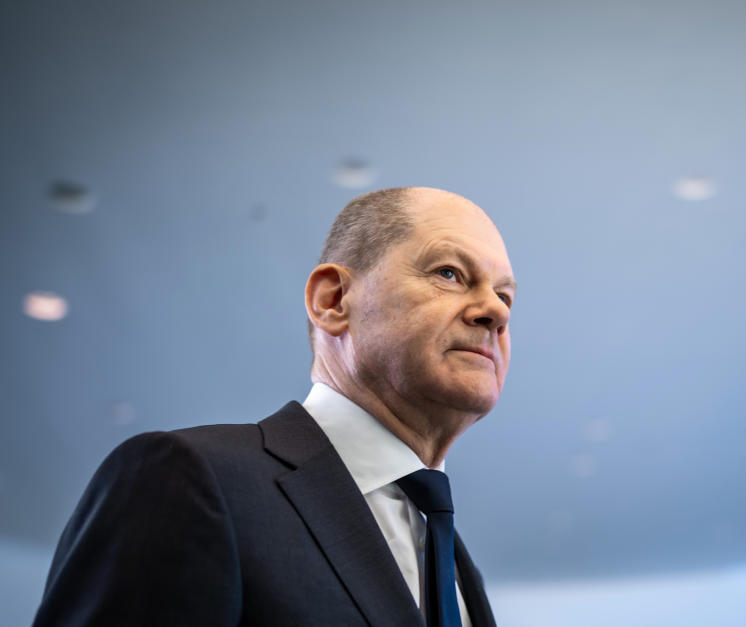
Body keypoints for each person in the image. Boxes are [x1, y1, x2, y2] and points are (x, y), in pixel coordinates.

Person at [33, 187, 515, 627]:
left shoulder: (452, 561)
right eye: (449, 273)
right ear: (333, 300)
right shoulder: (191, 479)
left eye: (504, 295)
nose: (496, 311)